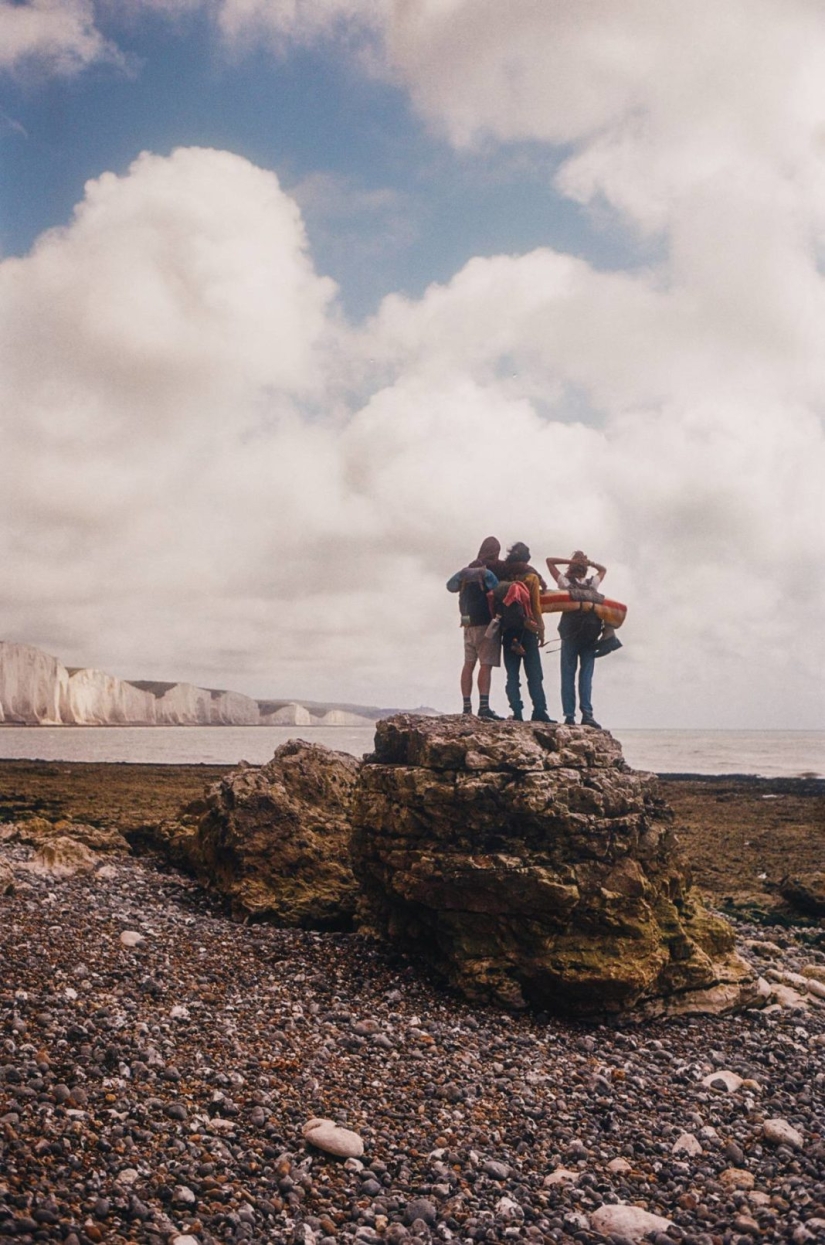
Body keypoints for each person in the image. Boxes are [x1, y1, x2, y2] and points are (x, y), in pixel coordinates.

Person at [493, 542, 556, 723]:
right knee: (535, 675)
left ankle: (517, 713)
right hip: (528, 631)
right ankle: (539, 711)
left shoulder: (502, 577)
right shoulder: (531, 577)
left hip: (507, 631)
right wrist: (541, 631)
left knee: (512, 676)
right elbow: (535, 607)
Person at [546, 550, 607, 728]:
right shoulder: (592, 584)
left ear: (571, 566)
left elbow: (549, 560)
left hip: (570, 634)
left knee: (567, 675)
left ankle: (569, 716)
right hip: (590, 635)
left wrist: (572, 561)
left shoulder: (565, 583)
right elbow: (603, 569)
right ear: (585, 569)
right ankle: (587, 714)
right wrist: (590, 563)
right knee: (586, 676)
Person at [446, 537, 504, 719]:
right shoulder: (486, 574)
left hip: (467, 623)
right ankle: (484, 707)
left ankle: (466, 707)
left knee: (468, 664)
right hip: (485, 624)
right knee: (485, 665)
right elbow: (498, 591)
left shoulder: (463, 573)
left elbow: (450, 586)